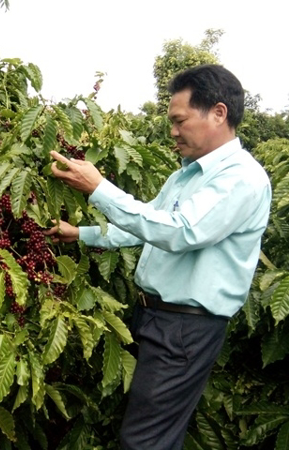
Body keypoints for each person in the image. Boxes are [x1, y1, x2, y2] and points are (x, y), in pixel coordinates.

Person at [45, 64, 271, 449]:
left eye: (179, 120)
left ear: (218, 113)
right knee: (151, 434)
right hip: (155, 317)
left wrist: (100, 188)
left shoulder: (242, 178)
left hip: (185, 329)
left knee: (145, 442)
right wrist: (78, 233)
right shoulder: (186, 175)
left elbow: (180, 230)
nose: (173, 131)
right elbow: (147, 223)